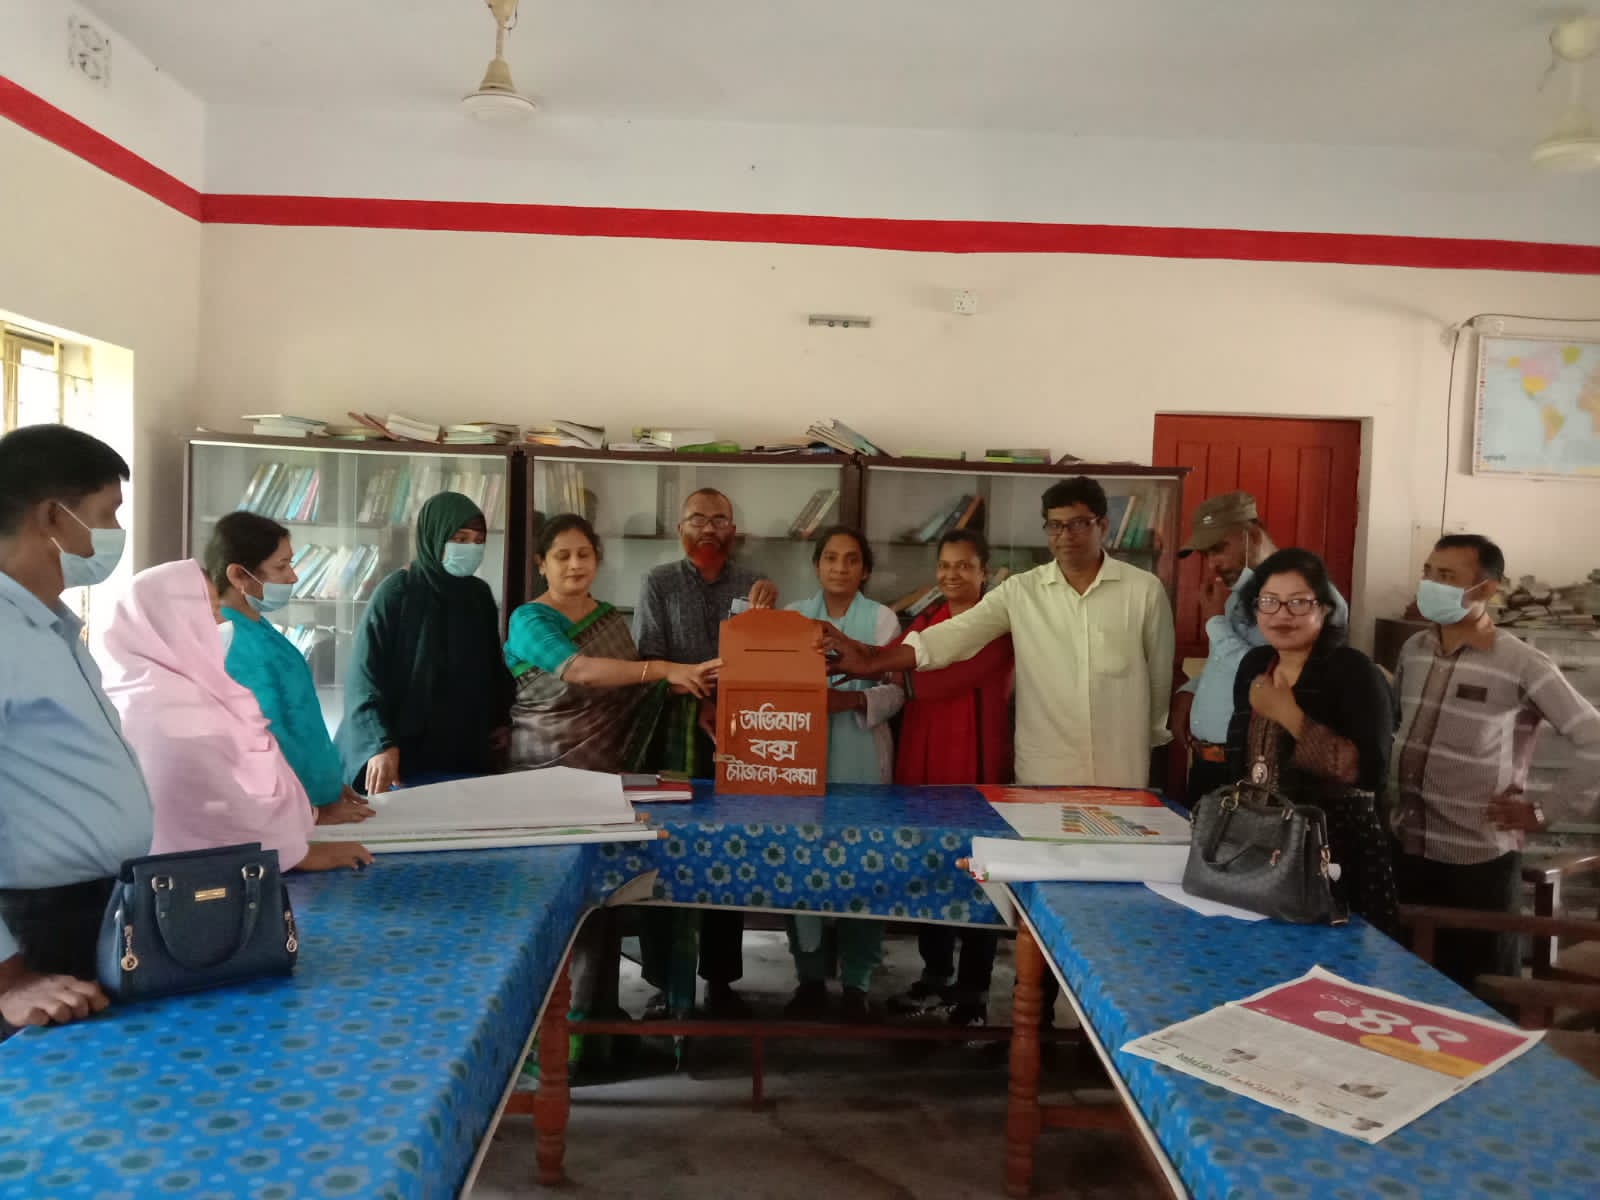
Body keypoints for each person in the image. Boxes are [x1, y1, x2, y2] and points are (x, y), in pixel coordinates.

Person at [823, 477, 1174, 788]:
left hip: (1120, 768)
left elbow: (1159, 681)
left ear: (1103, 526)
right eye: (1055, 525)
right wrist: (872, 658)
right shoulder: (1021, 591)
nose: (1065, 536)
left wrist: (1147, 741)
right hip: (1045, 771)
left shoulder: (1143, 590)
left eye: (1078, 524)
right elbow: (954, 635)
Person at [1391, 535, 1600, 989]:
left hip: (1477, 864)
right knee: (1406, 989)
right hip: (1407, 852)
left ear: (1486, 588)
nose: (1430, 584)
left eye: (1447, 576)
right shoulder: (1414, 650)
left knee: (1479, 995)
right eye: (1428, 572)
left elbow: (1594, 739)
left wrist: (1543, 811)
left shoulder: (1521, 662)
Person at [0, 425, 149, 1034]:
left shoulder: (51, 626)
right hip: (32, 936)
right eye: (107, 513)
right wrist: (8, 979)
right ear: (52, 518)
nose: (114, 532)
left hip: (96, 909)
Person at [102, 560, 373, 874]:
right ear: (170, 621)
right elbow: (220, 808)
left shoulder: (181, 689)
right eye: (208, 611)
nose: (221, 622)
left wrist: (308, 816)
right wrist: (293, 853)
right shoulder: (168, 705)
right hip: (203, 885)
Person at [631, 488, 775, 1019]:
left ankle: (720, 980)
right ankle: (663, 982)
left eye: (719, 520)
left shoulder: (753, 584)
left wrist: (769, 615)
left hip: (737, 735)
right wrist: (697, 700)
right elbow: (648, 662)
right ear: (680, 529)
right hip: (672, 734)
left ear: (732, 531)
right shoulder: (658, 582)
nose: (708, 528)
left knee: (727, 854)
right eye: (698, 519)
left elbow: (765, 661)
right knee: (666, 853)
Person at [1226, 548, 1398, 935]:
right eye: (1269, 601)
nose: (1282, 615)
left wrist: (1289, 715)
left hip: (1335, 851)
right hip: (1258, 846)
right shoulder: (1255, 665)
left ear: (1324, 608)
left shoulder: (1353, 670)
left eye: (1299, 602)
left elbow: (1368, 773)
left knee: (1333, 959)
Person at [887, 530, 1014, 1031]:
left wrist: (893, 670)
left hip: (973, 767)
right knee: (929, 872)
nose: (951, 575)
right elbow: (893, 662)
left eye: (963, 566)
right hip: (923, 765)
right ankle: (935, 975)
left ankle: (974, 991)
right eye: (944, 565)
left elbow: (937, 679)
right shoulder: (925, 621)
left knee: (977, 877)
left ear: (984, 573)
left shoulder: (996, 627)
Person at [785, 525, 904, 1020]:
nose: (840, 567)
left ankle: (857, 980)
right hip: (798, 758)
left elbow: (897, 691)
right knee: (801, 863)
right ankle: (809, 977)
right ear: (816, 565)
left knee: (864, 864)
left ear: (865, 569)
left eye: (851, 559)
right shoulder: (793, 616)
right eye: (830, 558)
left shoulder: (881, 619)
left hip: (861, 754)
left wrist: (850, 700)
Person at [504, 514, 720, 771]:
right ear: (541, 564)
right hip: (540, 769)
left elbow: (635, 691)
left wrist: (690, 696)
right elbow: (580, 671)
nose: (575, 564)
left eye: (584, 554)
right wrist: (666, 668)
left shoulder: (607, 616)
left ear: (596, 559)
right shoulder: (528, 620)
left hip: (610, 771)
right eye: (562, 556)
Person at [1172, 491, 1347, 805]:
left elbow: (1268, 673)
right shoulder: (1234, 596)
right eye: (1205, 554)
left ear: (1252, 535)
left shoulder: (1309, 599)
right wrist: (1191, 690)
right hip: (1207, 763)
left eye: (1218, 549)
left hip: (1256, 769)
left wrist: (1214, 622)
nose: (1212, 564)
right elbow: (1226, 664)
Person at [338, 491, 514, 794]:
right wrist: (380, 744)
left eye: (478, 541)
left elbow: (490, 667)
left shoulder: (478, 595)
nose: (470, 548)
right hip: (399, 752)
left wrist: (501, 719)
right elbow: (363, 677)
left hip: (463, 750)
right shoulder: (397, 592)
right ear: (434, 536)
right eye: (460, 538)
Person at [207, 512, 373, 824]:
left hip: (309, 805)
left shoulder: (257, 629)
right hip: (288, 817)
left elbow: (298, 720)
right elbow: (265, 739)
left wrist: (327, 784)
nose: (293, 577)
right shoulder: (233, 642)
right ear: (239, 575)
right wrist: (312, 811)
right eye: (281, 566)